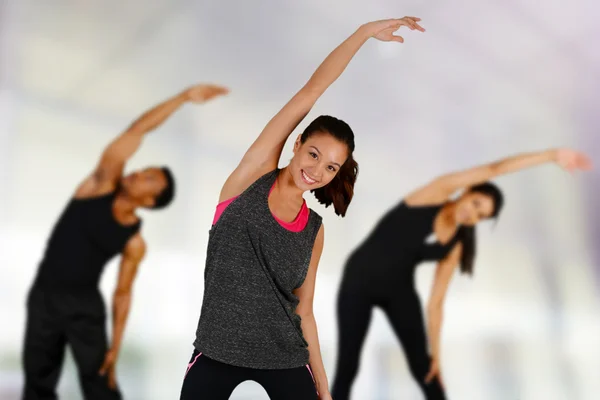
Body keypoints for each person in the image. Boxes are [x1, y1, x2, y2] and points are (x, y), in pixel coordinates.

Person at [179, 16, 426, 400]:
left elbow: (304, 311)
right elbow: (312, 90)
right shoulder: (250, 179)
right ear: (296, 144)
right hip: (215, 351)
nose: (317, 170)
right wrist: (363, 33)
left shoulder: (313, 228)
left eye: (331, 167)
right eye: (313, 154)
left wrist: (323, 387)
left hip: (285, 357)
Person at [331, 148, 593, 400]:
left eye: (481, 215)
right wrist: (552, 156)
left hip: (398, 288)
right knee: (348, 366)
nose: (473, 214)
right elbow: (495, 168)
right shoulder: (436, 192)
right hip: (360, 277)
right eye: (476, 204)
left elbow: (436, 302)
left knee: (427, 370)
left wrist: (437, 355)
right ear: (467, 191)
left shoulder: (455, 244)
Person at [22, 84, 228, 400]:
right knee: (38, 383)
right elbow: (138, 130)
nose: (137, 173)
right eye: (144, 169)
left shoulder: (134, 243)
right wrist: (183, 97)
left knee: (102, 384)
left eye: (147, 179)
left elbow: (122, 294)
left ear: (149, 201)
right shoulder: (100, 183)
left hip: (84, 306)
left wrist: (115, 348)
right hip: (45, 296)